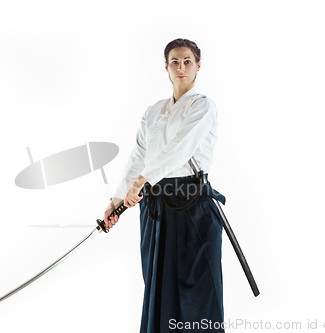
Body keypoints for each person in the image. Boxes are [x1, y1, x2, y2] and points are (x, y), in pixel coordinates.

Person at [103, 38, 226, 332]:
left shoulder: (203, 106)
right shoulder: (153, 111)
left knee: (196, 288)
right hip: (156, 207)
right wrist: (118, 199)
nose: (181, 67)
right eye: (174, 62)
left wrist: (141, 182)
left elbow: (180, 150)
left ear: (198, 66)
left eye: (187, 61)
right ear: (166, 68)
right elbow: (139, 155)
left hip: (192, 202)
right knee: (159, 283)